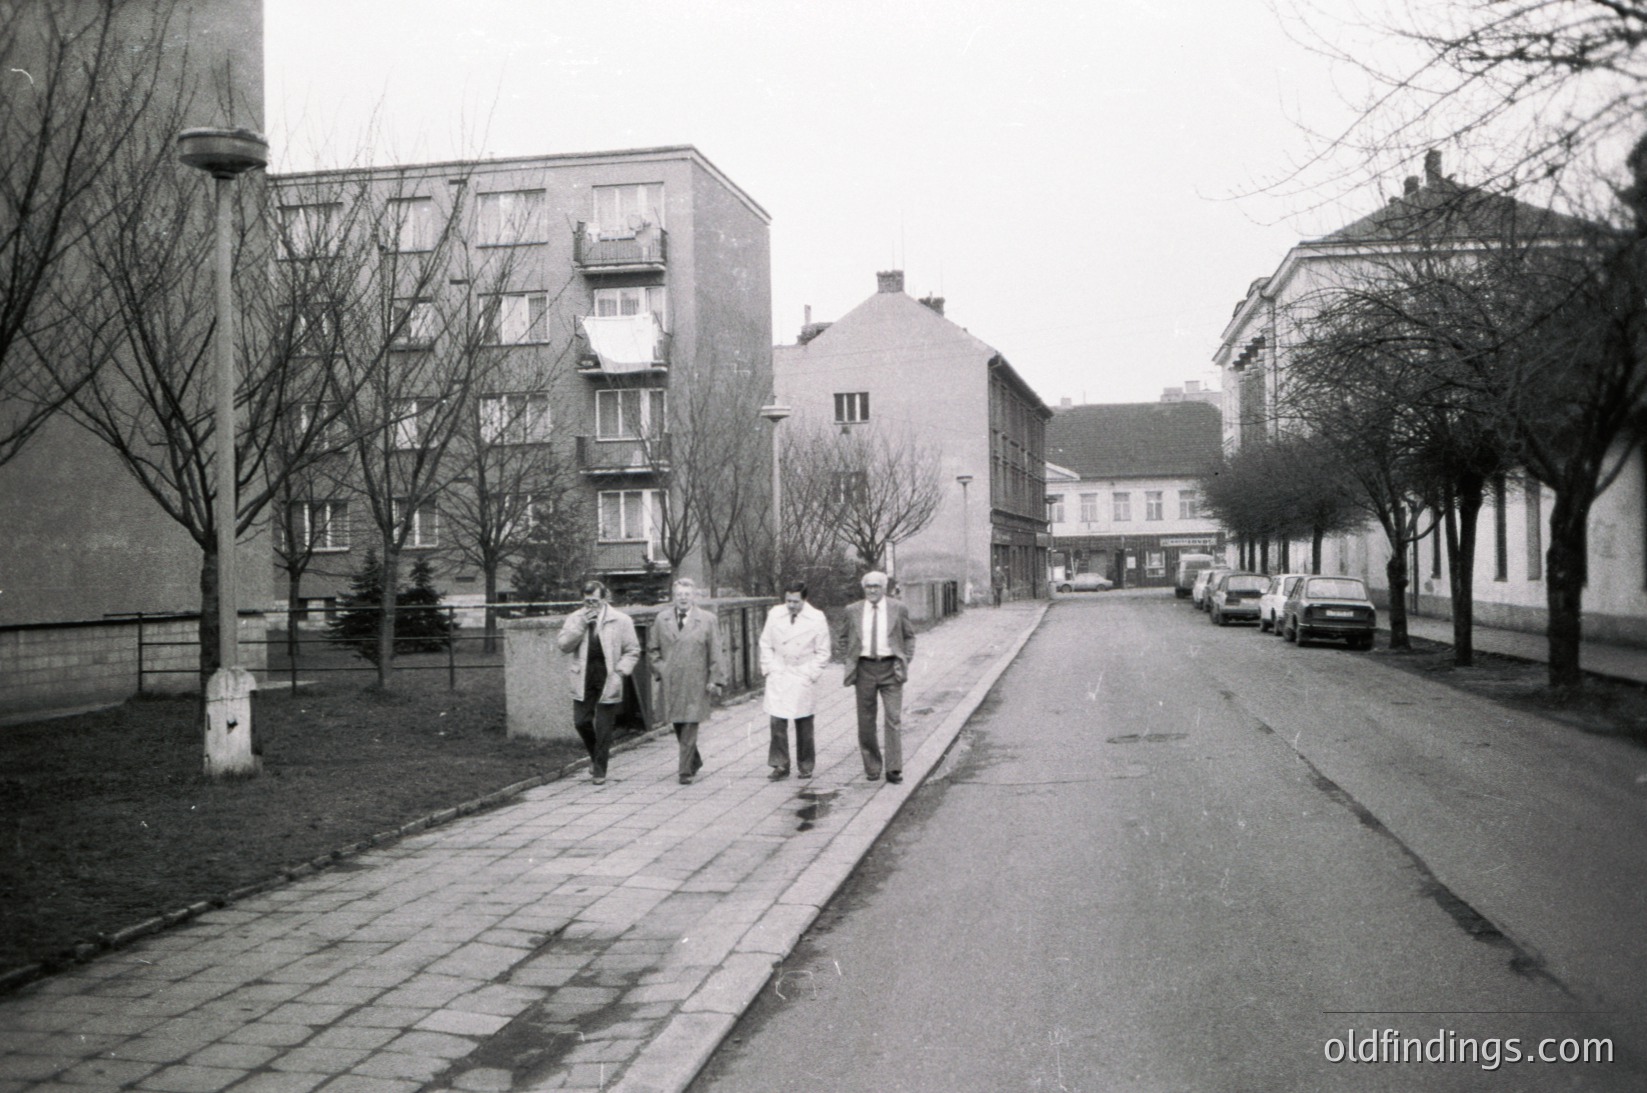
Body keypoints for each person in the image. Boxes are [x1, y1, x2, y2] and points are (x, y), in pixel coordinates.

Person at [556, 580, 639, 785]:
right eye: (586, 601)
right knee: (581, 721)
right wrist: (581, 624)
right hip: (583, 675)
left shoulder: (621, 620)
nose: (590, 605)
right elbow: (564, 646)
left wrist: (621, 671)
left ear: (604, 598)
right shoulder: (575, 618)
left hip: (609, 675)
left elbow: (632, 650)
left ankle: (600, 770)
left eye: (594, 601)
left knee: (604, 726)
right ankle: (595, 756)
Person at [836, 570, 916, 784]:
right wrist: (850, 659)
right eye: (868, 586)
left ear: (884, 588)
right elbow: (843, 638)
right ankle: (872, 766)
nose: (872, 590)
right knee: (866, 721)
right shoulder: (852, 610)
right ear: (863, 588)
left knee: (893, 718)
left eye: (876, 586)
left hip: (891, 668)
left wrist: (905, 659)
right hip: (864, 670)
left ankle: (893, 768)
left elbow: (909, 636)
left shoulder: (897, 608)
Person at [646, 577, 725, 785]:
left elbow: (715, 650)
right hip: (671, 680)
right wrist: (662, 669)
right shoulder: (661, 619)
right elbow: (652, 649)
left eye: (687, 594)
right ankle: (694, 760)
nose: (683, 598)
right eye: (679, 594)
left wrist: (715, 679)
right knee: (678, 722)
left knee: (690, 722)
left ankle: (684, 771)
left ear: (694, 596)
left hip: (696, 680)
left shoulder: (707, 619)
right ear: (673, 597)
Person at [758, 580, 831, 780]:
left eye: (795, 601)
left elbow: (823, 652)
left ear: (804, 599)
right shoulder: (775, 614)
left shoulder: (816, 618)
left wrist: (810, 673)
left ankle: (806, 765)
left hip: (802, 672)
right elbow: (765, 643)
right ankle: (780, 764)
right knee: (777, 721)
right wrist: (770, 668)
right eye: (788, 601)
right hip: (780, 672)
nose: (791, 605)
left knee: (804, 722)